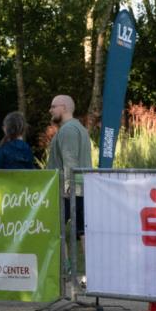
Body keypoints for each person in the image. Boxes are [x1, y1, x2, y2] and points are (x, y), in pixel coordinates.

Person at [46, 95, 92, 238]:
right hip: (80, 189)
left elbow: (70, 161)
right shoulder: (79, 128)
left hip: (69, 191)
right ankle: (85, 261)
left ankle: (63, 261)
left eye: (54, 106)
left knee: (52, 232)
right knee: (82, 233)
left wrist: (67, 188)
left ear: (64, 107)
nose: (50, 110)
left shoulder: (68, 130)